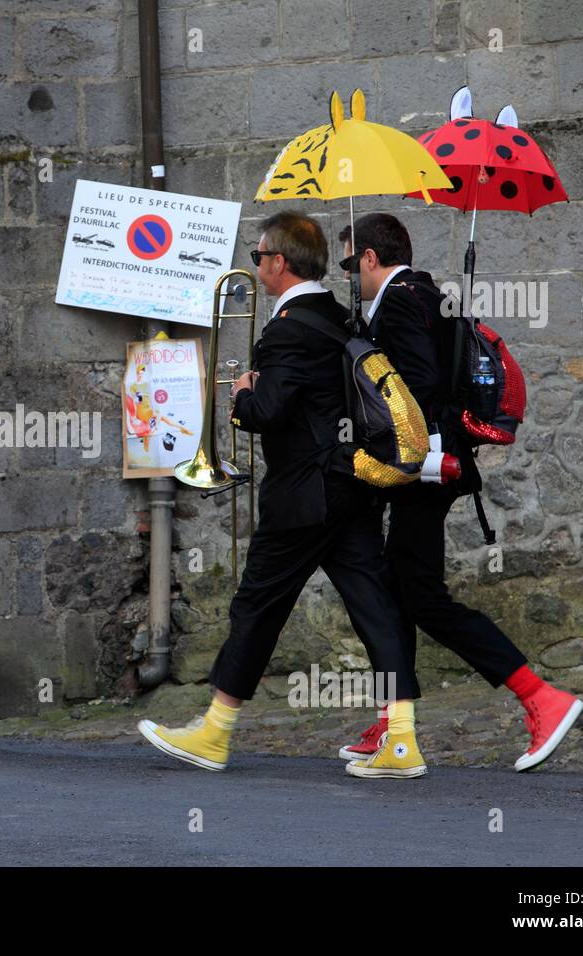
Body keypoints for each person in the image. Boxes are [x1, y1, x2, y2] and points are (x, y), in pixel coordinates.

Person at [139, 212, 426, 778]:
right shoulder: (340, 317)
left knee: (256, 606)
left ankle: (215, 734)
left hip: (304, 494)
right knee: (376, 607)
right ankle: (402, 739)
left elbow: (268, 414)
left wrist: (244, 394)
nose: (256, 264)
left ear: (279, 263)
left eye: (259, 255)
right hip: (351, 485)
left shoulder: (290, 327)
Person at [338, 213, 582, 771]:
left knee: (421, 596)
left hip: (423, 466)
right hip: (428, 463)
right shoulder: (426, 293)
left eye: (351, 264)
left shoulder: (400, 300)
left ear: (370, 258)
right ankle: (392, 723)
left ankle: (540, 697)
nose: (351, 275)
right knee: (397, 590)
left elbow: (417, 387)